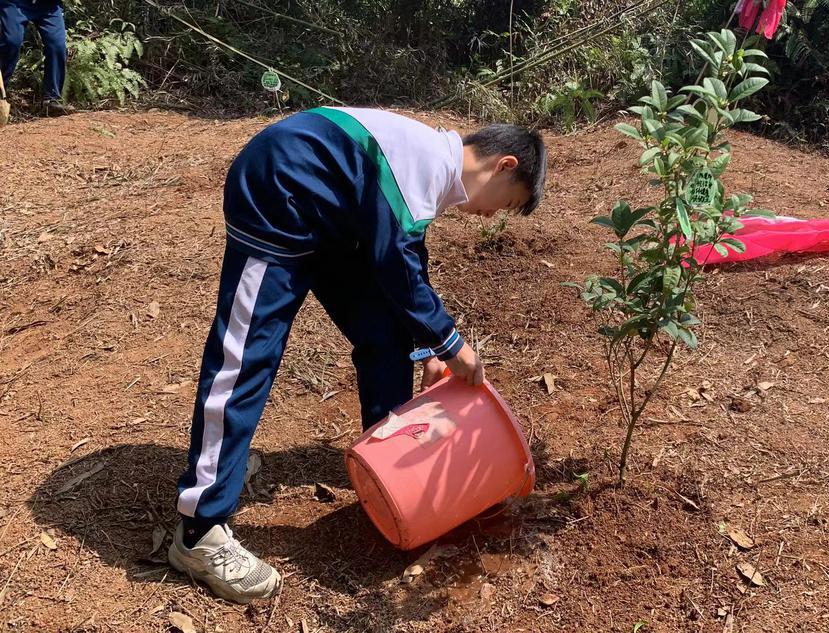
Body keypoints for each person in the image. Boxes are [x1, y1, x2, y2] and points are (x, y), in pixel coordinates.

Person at [166, 106, 547, 603]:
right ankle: (199, 529)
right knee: (246, 358)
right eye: (506, 202)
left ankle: (389, 460)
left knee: (386, 336)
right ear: (505, 166)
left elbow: (404, 264)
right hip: (280, 194)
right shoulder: (426, 162)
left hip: (332, 221)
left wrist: (427, 348)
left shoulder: (428, 169)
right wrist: (453, 347)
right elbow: (396, 266)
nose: (491, 215)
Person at [0, 0, 74, 116]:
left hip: (49, 5)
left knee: (57, 45)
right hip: (15, 3)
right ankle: (1, 92)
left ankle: (51, 100)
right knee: (11, 42)